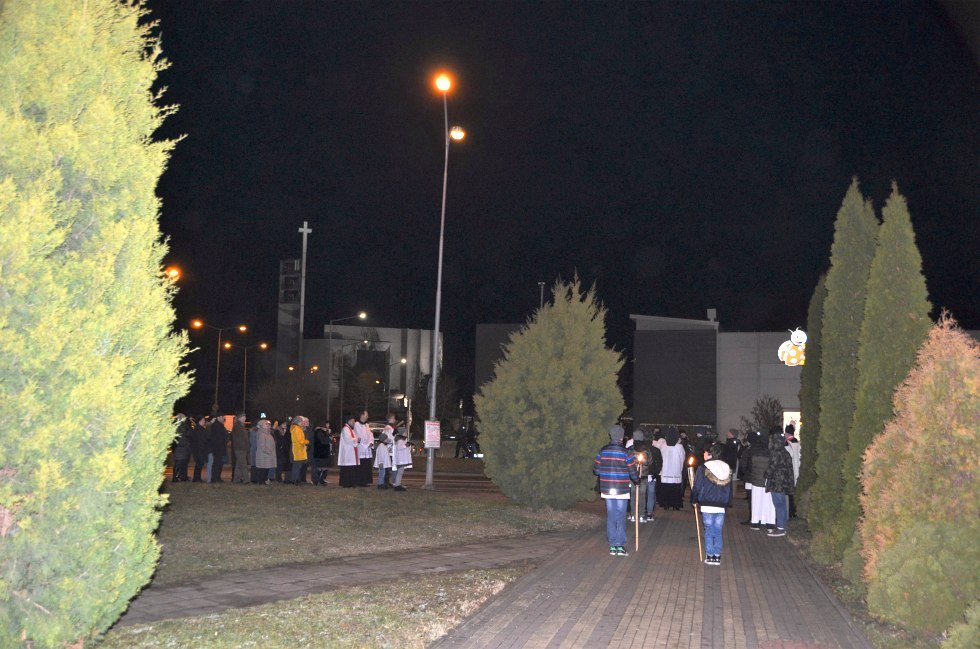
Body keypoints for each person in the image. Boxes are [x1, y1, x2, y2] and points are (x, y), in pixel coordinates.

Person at [593, 424, 639, 557]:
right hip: (621, 488)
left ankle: (612, 545)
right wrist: (637, 480)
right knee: (620, 516)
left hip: (607, 488)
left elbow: (596, 470)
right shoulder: (626, 452)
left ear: (611, 436)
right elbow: (632, 471)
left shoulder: (603, 451)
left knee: (611, 515)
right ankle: (620, 544)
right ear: (622, 437)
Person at [690, 442, 733, 566]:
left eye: (705, 452)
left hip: (707, 503)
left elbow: (697, 486)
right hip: (721, 504)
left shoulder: (704, 468)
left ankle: (709, 555)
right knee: (718, 530)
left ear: (710, 454)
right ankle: (717, 555)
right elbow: (729, 488)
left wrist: (694, 499)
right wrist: (728, 502)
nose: (703, 454)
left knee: (709, 529)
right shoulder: (726, 467)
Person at [764, 425, 794, 537]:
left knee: (778, 505)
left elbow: (772, 466)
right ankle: (782, 526)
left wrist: (766, 474)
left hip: (776, 482)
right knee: (782, 504)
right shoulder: (785, 452)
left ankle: (780, 528)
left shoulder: (775, 452)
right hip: (783, 482)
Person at [744, 430, 774, 529]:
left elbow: (748, 466)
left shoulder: (753, 451)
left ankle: (755, 522)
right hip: (768, 481)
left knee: (756, 502)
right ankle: (769, 522)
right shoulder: (771, 453)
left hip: (756, 481)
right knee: (768, 502)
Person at [629, 429, 658, 523]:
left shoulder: (630, 449)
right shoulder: (646, 450)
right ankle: (641, 515)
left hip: (632, 476)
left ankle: (633, 515)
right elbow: (650, 461)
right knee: (642, 495)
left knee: (633, 495)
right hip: (643, 476)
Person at [655, 427, 685, 510]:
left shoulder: (663, 446)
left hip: (666, 470)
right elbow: (682, 458)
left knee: (666, 488)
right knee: (675, 489)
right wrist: (680, 468)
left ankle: (666, 505)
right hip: (675, 471)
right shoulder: (679, 447)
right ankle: (675, 505)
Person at [251, 419, 277, 484]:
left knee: (266, 468)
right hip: (263, 455)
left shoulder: (268, 433)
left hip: (268, 455)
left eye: (269, 424)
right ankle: (261, 481)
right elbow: (262, 445)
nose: (268, 425)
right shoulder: (262, 434)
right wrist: (268, 451)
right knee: (263, 468)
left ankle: (264, 481)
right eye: (266, 424)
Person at [337, 415, 359, 488]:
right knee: (348, 468)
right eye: (353, 421)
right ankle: (346, 483)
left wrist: (356, 439)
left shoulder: (351, 429)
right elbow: (348, 440)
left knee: (351, 468)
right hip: (347, 452)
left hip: (351, 451)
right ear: (349, 421)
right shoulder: (345, 429)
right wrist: (357, 440)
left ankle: (351, 483)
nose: (354, 423)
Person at [784, 423, 801, 517]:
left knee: (790, 493)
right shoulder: (797, 442)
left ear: (787, 433)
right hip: (797, 467)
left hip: (790, 469)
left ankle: (790, 511)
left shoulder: (787, 443)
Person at [354, 410, 374, 487]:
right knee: (361, 465)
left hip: (367, 448)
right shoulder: (356, 424)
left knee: (366, 465)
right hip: (361, 448)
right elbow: (359, 436)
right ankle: (360, 481)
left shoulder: (367, 425)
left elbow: (371, 435)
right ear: (362, 415)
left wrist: (371, 442)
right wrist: (366, 444)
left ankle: (365, 481)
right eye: (366, 415)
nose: (367, 416)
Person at [289, 416, 310, 484]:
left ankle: (296, 479)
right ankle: (295, 480)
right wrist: (307, 441)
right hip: (298, 451)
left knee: (297, 466)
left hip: (298, 450)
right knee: (297, 467)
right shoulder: (297, 429)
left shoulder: (296, 428)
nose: (303, 423)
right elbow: (300, 441)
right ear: (299, 422)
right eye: (302, 421)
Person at [207, 415, 228, 483]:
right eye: (222, 417)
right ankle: (215, 478)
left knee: (219, 463)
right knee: (217, 463)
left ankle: (217, 477)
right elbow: (217, 438)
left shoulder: (219, 425)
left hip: (220, 448)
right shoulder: (216, 426)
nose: (223, 418)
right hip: (218, 448)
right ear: (218, 417)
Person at [171, 414, 192, 482]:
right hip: (181, 447)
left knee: (181, 463)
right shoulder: (182, 426)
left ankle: (181, 477)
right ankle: (176, 478)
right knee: (179, 463)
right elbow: (188, 434)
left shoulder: (176, 426)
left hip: (180, 447)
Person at [230, 413, 250, 484]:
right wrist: (244, 446)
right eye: (243, 417)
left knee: (239, 464)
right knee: (243, 464)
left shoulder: (240, 425)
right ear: (239, 418)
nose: (245, 418)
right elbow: (239, 438)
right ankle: (246, 479)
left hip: (240, 448)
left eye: (245, 417)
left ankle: (236, 479)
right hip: (240, 448)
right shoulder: (238, 426)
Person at [190, 416, 210, 482]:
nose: (204, 421)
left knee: (199, 464)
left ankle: (197, 478)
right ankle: (196, 478)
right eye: (203, 420)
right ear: (199, 421)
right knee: (199, 464)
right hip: (199, 450)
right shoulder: (199, 430)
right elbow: (203, 439)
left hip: (199, 450)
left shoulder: (199, 429)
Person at [374, 423, 393, 489]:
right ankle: (380, 484)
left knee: (383, 473)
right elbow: (380, 456)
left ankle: (382, 483)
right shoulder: (381, 446)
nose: (387, 440)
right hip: (382, 463)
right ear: (384, 439)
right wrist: (381, 464)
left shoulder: (384, 446)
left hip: (383, 463)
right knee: (382, 473)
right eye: (386, 439)